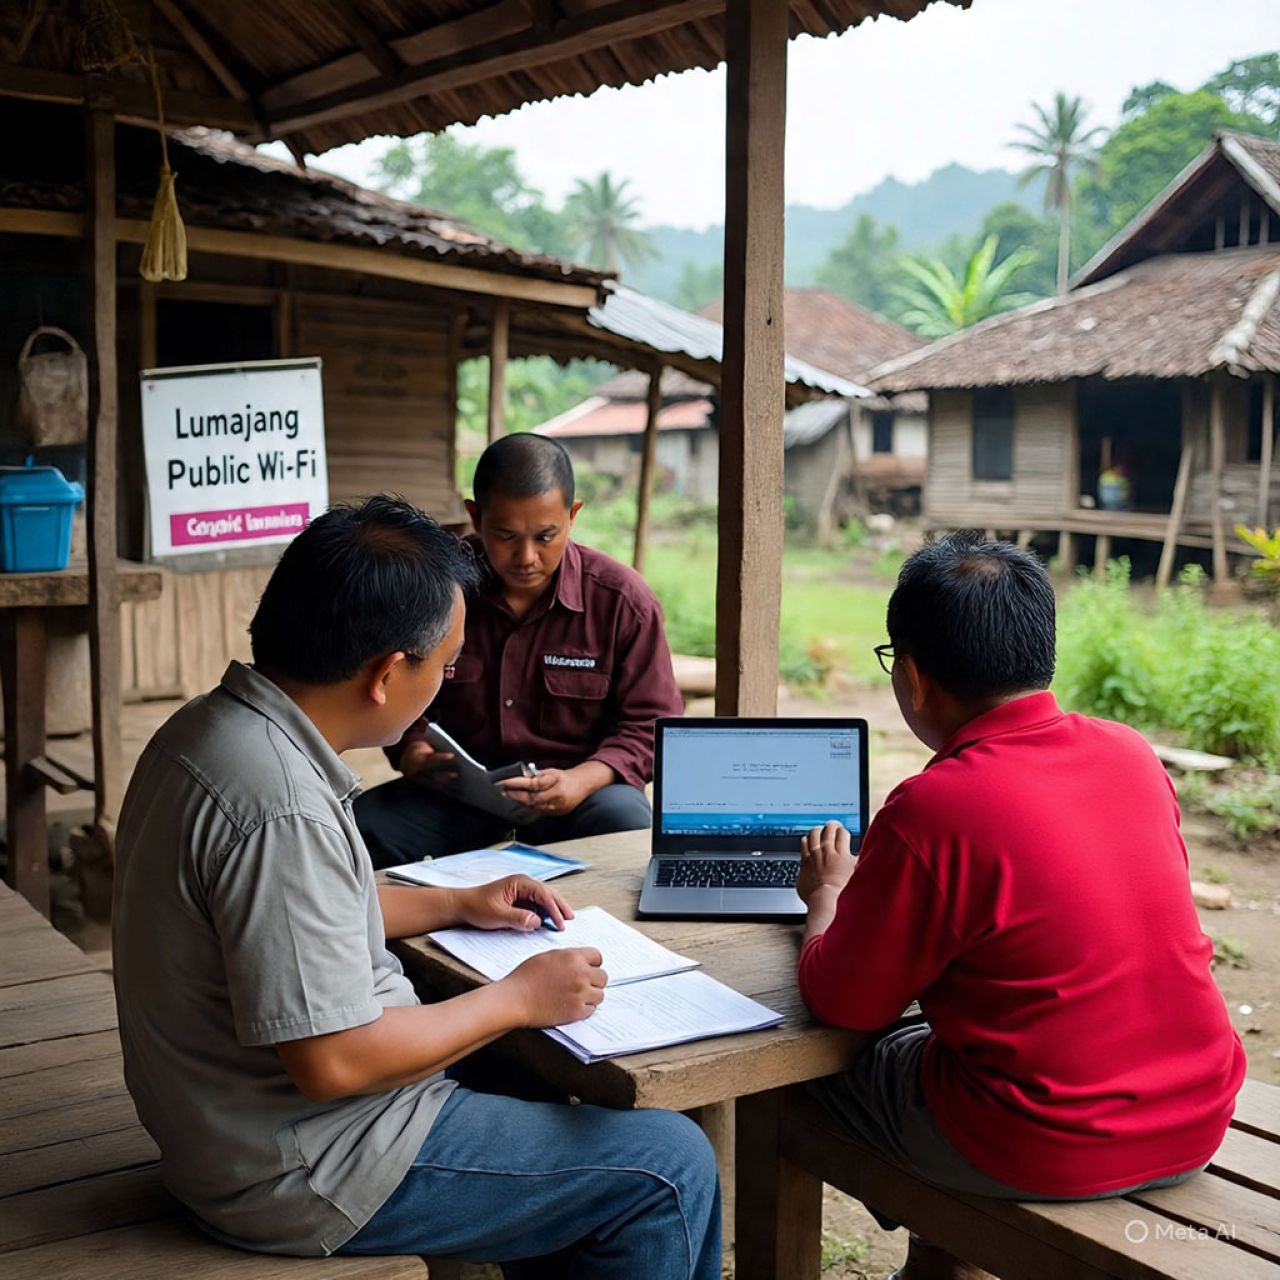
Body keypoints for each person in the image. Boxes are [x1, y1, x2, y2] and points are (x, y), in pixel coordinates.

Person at [111, 495, 720, 1277]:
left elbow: (285, 918)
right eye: (446, 665)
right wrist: (518, 999)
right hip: (305, 1164)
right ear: (387, 674)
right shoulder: (282, 806)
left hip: (225, 1124)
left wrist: (455, 903)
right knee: (667, 1165)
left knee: (521, 1073)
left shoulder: (213, 731)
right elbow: (333, 1061)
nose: (448, 681)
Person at [794, 533, 1244, 1280]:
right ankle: (940, 1263)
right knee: (952, 1036)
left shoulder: (933, 806)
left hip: (1043, 1142)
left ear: (911, 677)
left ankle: (926, 1251)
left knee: (803, 1069)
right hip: (1197, 1115)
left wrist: (827, 897)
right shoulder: (1131, 752)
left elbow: (841, 1001)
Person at [356, 433, 683, 867]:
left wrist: (582, 780)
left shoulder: (621, 601)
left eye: (546, 536)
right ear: (475, 516)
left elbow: (651, 725)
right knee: (361, 826)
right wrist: (413, 752)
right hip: (460, 794)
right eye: (505, 535)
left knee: (625, 820)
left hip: (577, 798)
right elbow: (394, 683)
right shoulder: (437, 589)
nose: (526, 556)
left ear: (573, 514)